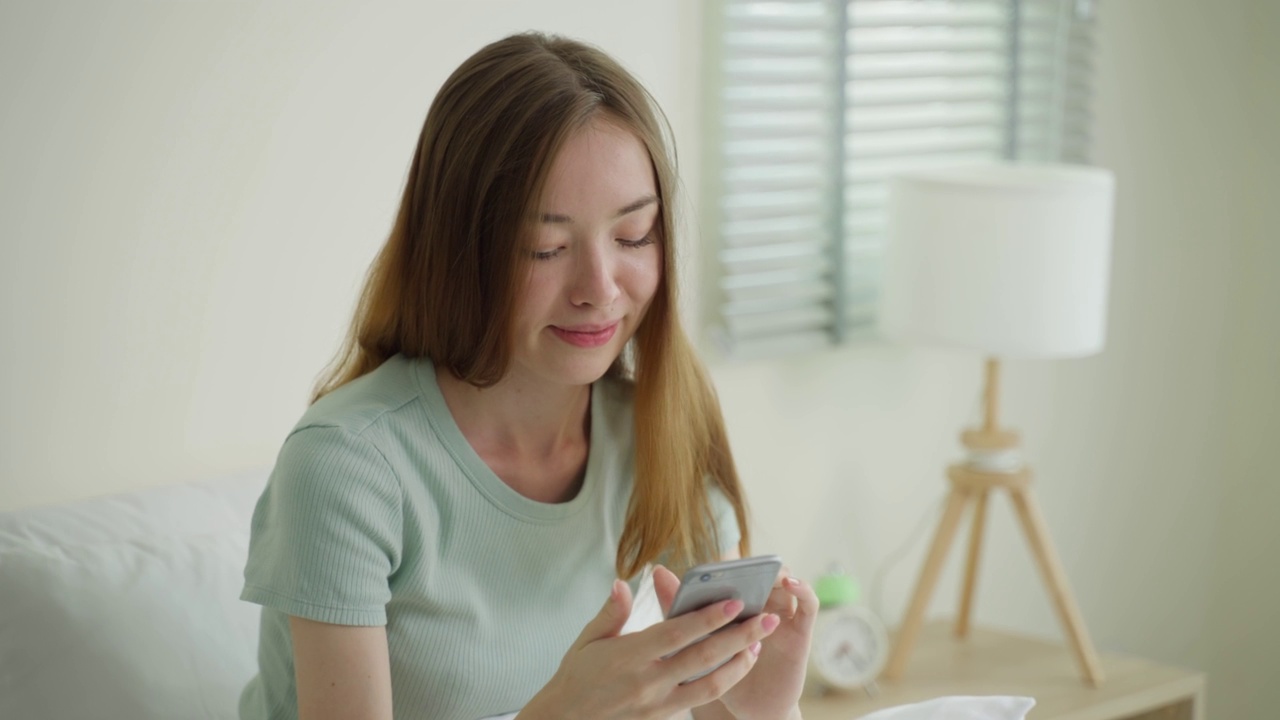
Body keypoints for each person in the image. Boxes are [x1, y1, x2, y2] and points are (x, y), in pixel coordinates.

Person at [238, 32, 818, 720]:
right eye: (546, 247)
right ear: (459, 252)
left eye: (633, 236)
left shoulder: (658, 432)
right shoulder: (347, 467)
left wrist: (764, 706)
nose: (600, 288)